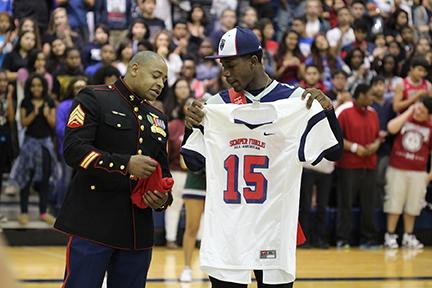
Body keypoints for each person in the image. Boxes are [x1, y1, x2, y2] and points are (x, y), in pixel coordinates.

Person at [182, 26, 343, 288]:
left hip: (273, 232)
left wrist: (327, 110)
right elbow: (194, 162)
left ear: (254, 61)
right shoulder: (215, 106)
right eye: (223, 66)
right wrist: (192, 125)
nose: (225, 73)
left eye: (231, 65)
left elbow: (334, 152)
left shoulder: (296, 101)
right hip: (228, 234)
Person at [54, 51, 173, 288]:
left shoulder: (158, 119)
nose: (160, 84)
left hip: (136, 233)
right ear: (135, 68)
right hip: (92, 223)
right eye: (156, 76)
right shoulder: (94, 98)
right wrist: (125, 164)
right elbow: (73, 151)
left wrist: (161, 199)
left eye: (165, 80)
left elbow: (163, 173)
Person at [335, 84, 381, 249]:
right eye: (370, 95)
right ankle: (343, 238)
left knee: (369, 203)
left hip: (369, 165)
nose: (372, 98)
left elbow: (378, 136)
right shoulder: (344, 111)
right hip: (349, 165)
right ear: (360, 95)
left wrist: (376, 145)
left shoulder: (373, 112)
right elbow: (335, 137)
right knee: (346, 203)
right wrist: (355, 148)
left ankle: (368, 238)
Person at [384, 96, 432, 249]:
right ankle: (390, 235)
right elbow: (391, 128)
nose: (418, 113)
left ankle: (408, 235)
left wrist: (430, 175)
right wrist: (410, 110)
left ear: (429, 115)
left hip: (418, 172)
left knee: (413, 205)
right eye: (418, 108)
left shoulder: (430, 126)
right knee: (394, 202)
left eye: (422, 112)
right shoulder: (406, 117)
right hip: (397, 168)